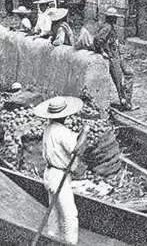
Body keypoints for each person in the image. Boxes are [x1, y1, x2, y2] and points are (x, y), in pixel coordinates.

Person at [33, 96, 89, 245]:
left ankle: (53, 240)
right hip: (59, 176)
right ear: (64, 115)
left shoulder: (49, 129)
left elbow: (67, 142)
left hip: (51, 174)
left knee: (54, 213)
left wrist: (77, 135)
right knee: (70, 215)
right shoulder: (61, 131)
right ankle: (70, 243)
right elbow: (77, 150)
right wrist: (85, 132)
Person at [93, 7, 133, 111]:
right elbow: (97, 40)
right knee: (118, 80)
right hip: (112, 57)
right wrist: (103, 52)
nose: (116, 19)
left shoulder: (110, 27)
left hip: (117, 55)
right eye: (114, 18)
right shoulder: (107, 28)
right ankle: (124, 102)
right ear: (112, 18)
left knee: (128, 73)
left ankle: (126, 99)